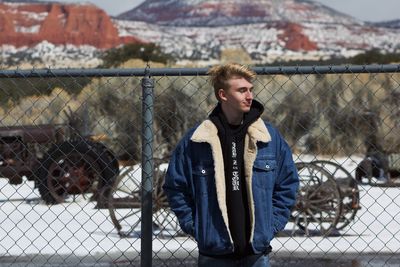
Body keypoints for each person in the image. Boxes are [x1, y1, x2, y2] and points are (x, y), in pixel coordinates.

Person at [163, 63, 299, 267]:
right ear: (223, 95)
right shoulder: (197, 140)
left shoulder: (269, 138)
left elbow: (288, 184)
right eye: (242, 90)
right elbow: (176, 188)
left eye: (251, 89)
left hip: (256, 254)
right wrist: (198, 227)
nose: (249, 96)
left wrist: (271, 226)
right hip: (214, 255)